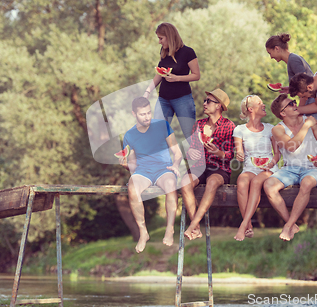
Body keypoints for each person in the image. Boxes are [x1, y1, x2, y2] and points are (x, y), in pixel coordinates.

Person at [119, 97, 183, 253]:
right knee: (132, 189)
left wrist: (175, 165)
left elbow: (177, 153)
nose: (147, 117)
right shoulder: (129, 135)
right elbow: (133, 165)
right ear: (134, 114)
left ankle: (169, 228)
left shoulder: (163, 126)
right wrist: (126, 164)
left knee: (170, 185)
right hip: (143, 171)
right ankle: (143, 231)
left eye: (148, 113)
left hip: (164, 169)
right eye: (142, 114)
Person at [265, 33, 317, 181]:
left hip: (312, 104)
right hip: (309, 102)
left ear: (277, 48)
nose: (271, 57)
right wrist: (289, 89)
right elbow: (299, 86)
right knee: (315, 138)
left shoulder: (293, 60)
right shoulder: (293, 59)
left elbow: (303, 86)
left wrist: (297, 108)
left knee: (316, 140)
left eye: (270, 53)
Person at [263, 94, 317, 241]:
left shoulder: (311, 121)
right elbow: (292, 147)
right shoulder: (278, 130)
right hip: (289, 169)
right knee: (269, 185)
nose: (295, 104)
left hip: (313, 169)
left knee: (307, 183)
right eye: (290, 104)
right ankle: (291, 224)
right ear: (283, 113)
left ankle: (288, 226)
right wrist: (306, 126)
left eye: (294, 102)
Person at [180, 88, 235, 240]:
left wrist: (219, 153)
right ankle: (196, 227)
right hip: (198, 167)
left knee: (211, 182)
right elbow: (191, 150)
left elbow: (231, 155)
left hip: (219, 168)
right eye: (205, 101)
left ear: (218, 106)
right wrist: (190, 153)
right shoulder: (198, 125)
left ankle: (192, 225)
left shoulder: (229, 126)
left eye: (208, 101)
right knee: (185, 182)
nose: (204, 104)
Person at [233, 95, 280, 241]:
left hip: (269, 168)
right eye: (260, 103)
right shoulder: (239, 130)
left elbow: (277, 154)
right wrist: (239, 154)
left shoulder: (270, 129)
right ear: (251, 109)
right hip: (249, 168)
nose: (264, 105)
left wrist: (271, 164)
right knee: (241, 181)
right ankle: (249, 226)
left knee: (256, 182)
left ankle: (244, 225)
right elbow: (239, 150)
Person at [143, 23, 200, 140]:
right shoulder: (164, 51)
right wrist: (147, 91)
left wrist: (177, 78)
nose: (159, 42)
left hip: (182, 99)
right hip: (163, 99)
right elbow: (160, 74)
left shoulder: (188, 52)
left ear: (169, 36)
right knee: (158, 134)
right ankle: (162, 158)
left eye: (161, 38)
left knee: (190, 136)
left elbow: (196, 75)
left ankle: (200, 158)